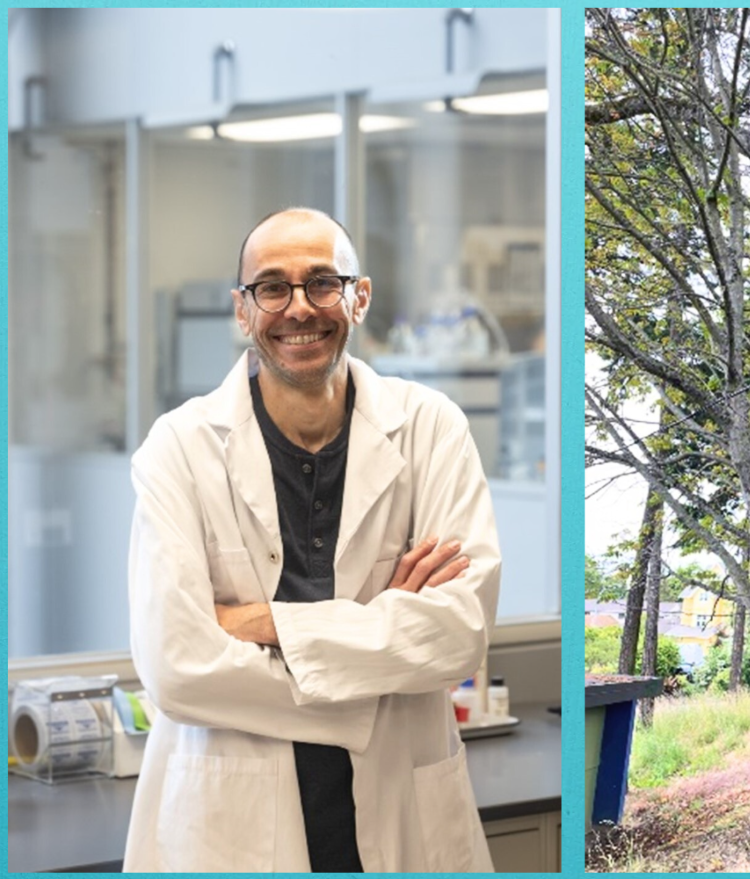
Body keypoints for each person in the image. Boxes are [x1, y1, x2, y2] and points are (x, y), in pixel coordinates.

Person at [123, 207, 501, 872]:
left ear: (359, 297)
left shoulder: (431, 429)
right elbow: (176, 666)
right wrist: (376, 657)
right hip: (227, 829)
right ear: (242, 311)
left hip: (399, 813)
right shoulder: (178, 448)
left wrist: (262, 622)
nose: (299, 307)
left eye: (322, 282)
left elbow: (458, 633)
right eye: (272, 287)